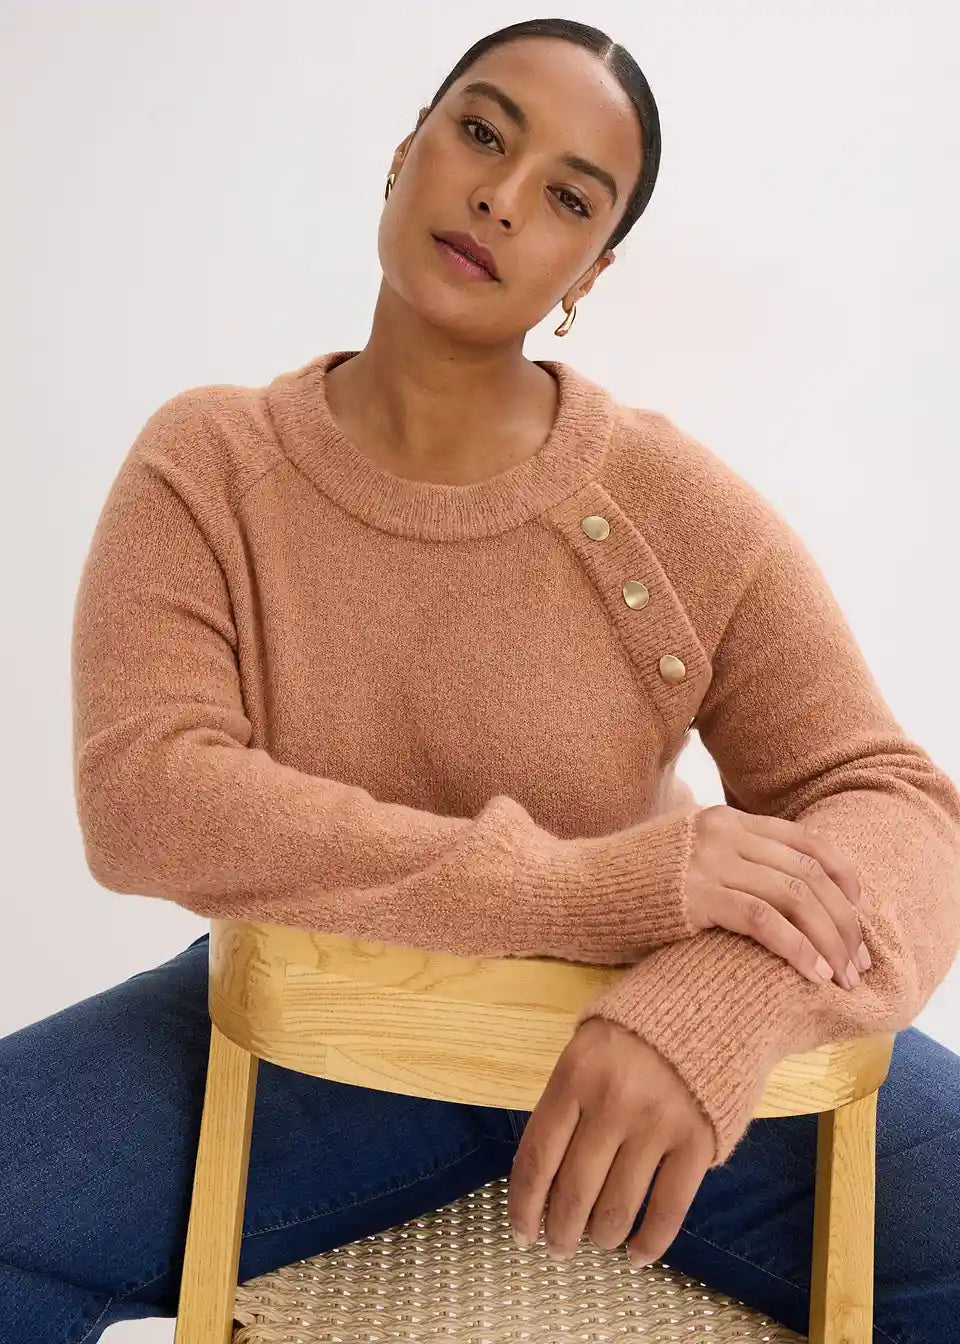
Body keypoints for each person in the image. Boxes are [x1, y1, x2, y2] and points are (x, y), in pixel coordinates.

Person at [2, 16, 957, 1342]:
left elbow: (896, 803)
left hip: (625, 1048)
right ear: (407, 153)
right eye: (482, 133)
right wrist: (590, 888)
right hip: (313, 1036)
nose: (502, 197)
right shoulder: (209, 461)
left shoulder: (668, 503)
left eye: (568, 196)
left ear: (591, 270)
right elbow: (150, 798)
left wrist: (712, 1008)